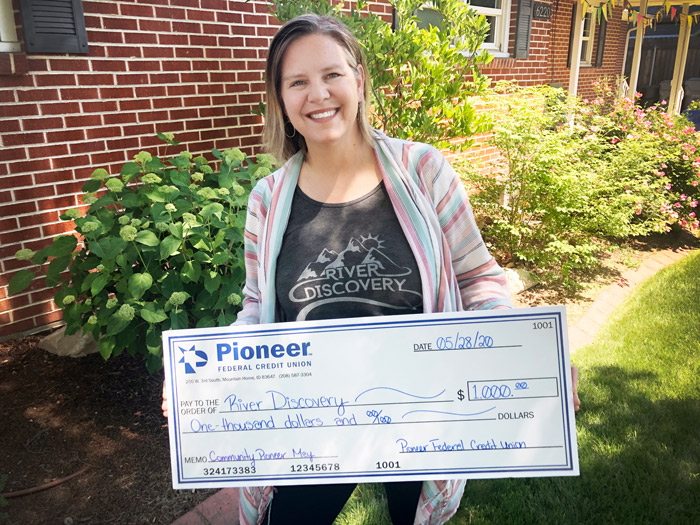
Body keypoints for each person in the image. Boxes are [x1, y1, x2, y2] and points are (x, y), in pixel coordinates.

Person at [163, 13, 580, 524]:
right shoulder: (267, 200)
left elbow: (477, 279)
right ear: (281, 100)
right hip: (311, 420)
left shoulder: (424, 171)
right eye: (297, 82)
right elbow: (256, 308)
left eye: (331, 74)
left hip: (419, 412)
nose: (318, 94)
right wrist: (205, 376)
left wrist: (529, 358)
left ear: (358, 79)